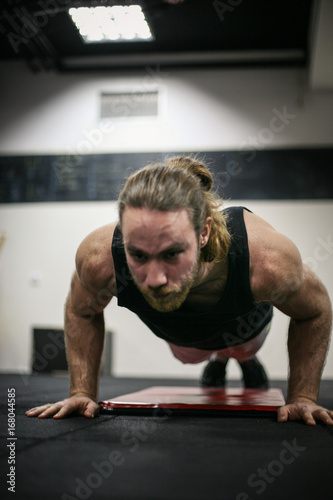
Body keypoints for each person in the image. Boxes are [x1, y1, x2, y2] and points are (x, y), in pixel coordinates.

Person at [26, 156, 333, 425]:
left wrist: (303, 396)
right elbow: (81, 309)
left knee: (241, 348)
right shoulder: (99, 258)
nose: (155, 279)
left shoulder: (268, 260)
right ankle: (220, 358)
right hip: (182, 337)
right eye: (139, 256)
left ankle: (237, 359)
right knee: (189, 357)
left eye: (172, 254)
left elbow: (315, 310)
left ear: (204, 233)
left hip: (245, 330)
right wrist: (81, 392)